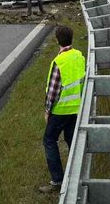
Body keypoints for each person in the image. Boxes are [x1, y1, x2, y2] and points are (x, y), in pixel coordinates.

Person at [39, 25, 85, 193]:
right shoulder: (79, 56)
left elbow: (53, 91)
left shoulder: (58, 61)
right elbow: (82, 80)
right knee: (71, 139)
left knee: (49, 141)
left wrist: (47, 111)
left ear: (57, 40)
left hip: (60, 110)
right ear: (71, 38)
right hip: (76, 108)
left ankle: (57, 180)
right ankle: (78, 172)